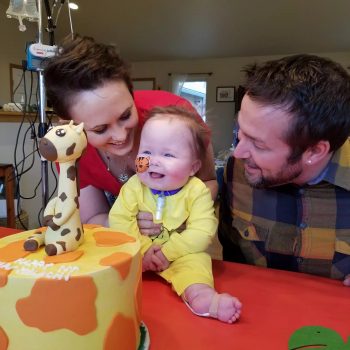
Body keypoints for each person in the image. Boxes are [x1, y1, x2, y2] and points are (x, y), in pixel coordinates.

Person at [44, 35, 217, 230]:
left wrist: (181, 218)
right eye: (101, 129)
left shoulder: (177, 118)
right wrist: (124, 223)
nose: (121, 136)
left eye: (126, 115)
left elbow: (209, 182)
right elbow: (93, 216)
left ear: (131, 92)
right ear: (69, 124)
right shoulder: (71, 151)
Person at [218, 54, 350, 286]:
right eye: (240, 132)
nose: (238, 153)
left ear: (314, 152)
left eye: (258, 144)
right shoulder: (237, 170)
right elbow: (233, 253)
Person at [109, 106, 242, 323]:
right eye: (146, 152)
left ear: (193, 167)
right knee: (115, 263)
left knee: (197, 263)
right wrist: (142, 250)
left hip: (181, 254)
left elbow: (203, 230)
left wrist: (169, 252)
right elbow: (119, 219)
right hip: (138, 252)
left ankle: (202, 297)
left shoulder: (196, 190)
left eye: (168, 154)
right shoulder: (134, 186)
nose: (153, 160)